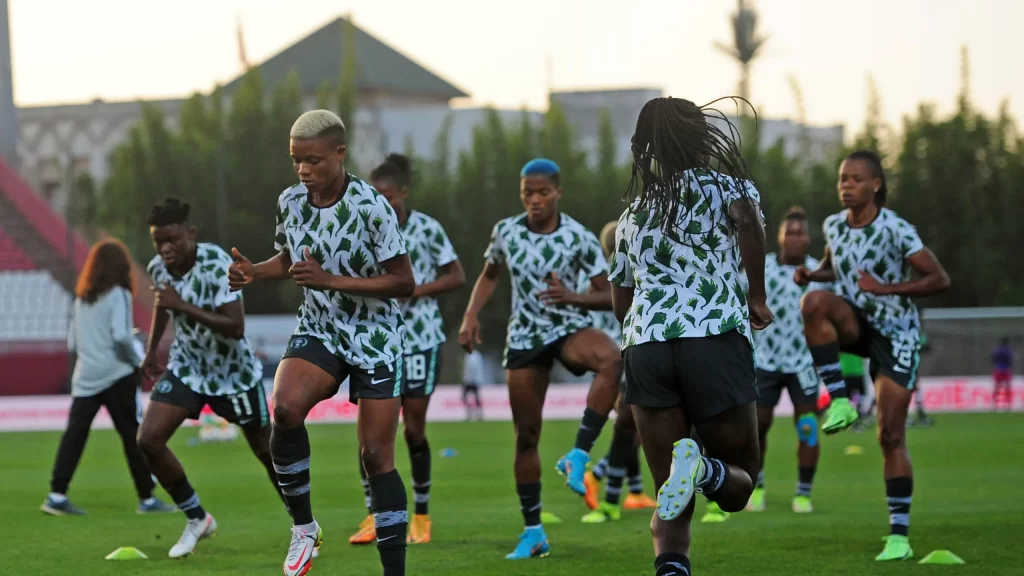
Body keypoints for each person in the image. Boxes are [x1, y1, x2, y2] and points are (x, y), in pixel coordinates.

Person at [227, 110, 415, 576]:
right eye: (296, 160)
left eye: (313, 160)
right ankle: (304, 528)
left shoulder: (372, 206)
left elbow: (403, 282)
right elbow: (289, 258)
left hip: (375, 336)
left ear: (339, 153)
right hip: (320, 327)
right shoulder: (291, 200)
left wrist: (331, 280)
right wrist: (255, 272)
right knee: (285, 409)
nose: (303, 170)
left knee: (376, 457)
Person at [608, 96, 771, 576]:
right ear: (701, 136)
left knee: (670, 497)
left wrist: (647, 327)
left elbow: (621, 300)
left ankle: (671, 567)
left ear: (649, 147)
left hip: (646, 347)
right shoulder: (728, 187)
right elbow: (748, 222)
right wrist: (757, 295)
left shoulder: (632, 215)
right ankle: (704, 469)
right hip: (713, 337)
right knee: (740, 484)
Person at [458, 158, 623, 559]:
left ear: (558, 193)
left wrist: (573, 297)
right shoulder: (507, 231)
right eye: (527, 193)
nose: (534, 200)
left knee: (611, 358)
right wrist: (470, 315)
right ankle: (533, 532)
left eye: (542, 193)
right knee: (527, 436)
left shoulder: (579, 237)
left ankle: (579, 454)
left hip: (568, 328)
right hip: (526, 337)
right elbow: (490, 275)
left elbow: (611, 295)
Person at [797, 150, 950, 561]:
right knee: (813, 302)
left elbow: (939, 278)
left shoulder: (896, 228)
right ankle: (840, 402)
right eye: (842, 178)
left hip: (896, 334)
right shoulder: (834, 225)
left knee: (890, 435)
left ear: (876, 185)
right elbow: (835, 267)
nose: (846, 185)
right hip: (857, 324)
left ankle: (899, 537)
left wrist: (886, 288)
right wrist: (813, 274)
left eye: (856, 179)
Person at [137, 198, 282, 559]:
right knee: (149, 440)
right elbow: (163, 303)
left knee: (267, 452)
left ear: (191, 234)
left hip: (234, 373)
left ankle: (304, 525)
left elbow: (235, 327)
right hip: (188, 367)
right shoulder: (158, 267)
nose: (165, 248)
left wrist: (181, 305)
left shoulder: (217, 264)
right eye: (158, 241)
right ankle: (197, 518)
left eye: (172, 239)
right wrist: (152, 350)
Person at [349, 153, 465, 547]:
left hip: (419, 339)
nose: (381, 203)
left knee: (413, 430)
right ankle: (373, 514)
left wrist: (416, 290)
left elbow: (456, 275)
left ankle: (421, 516)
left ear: (403, 192)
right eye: (374, 196)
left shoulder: (427, 228)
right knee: (370, 435)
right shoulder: (362, 229)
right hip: (374, 341)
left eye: (388, 196)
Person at [41, 239, 176, 517]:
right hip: (116, 375)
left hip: (86, 377)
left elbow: (73, 342)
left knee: (74, 436)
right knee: (133, 437)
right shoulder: (119, 294)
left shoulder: (81, 299)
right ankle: (147, 498)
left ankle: (56, 495)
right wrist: (139, 361)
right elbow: (121, 336)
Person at [742, 207, 830, 515]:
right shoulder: (760, 267)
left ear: (808, 238)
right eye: (789, 232)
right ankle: (757, 488)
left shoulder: (817, 273)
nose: (794, 238)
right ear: (779, 236)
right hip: (764, 361)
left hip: (804, 363)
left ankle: (803, 493)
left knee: (807, 427)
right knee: (757, 427)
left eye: (799, 233)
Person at [582, 220, 657, 522]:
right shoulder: (631, 270)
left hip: (609, 363)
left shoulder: (595, 278)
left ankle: (632, 491)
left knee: (631, 427)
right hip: (629, 357)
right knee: (631, 426)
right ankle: (605, 485)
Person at [462, 349, 485, 421]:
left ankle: (474, 413)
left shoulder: (473, 355)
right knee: (475, 397)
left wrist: (468, 378)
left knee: (470, 396)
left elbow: (472, 368)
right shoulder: (474, 355)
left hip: (472, 380)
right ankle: (476, 413)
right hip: (474, 380)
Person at [992, 337, 1013, 411]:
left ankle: (995, 405)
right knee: (1007, 387)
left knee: (997, 387)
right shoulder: (1008, 350)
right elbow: (1010, 361)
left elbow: (993, 359)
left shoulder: (996, 350)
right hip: (1006, 370)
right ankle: (1008, 405)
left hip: (998, 369)